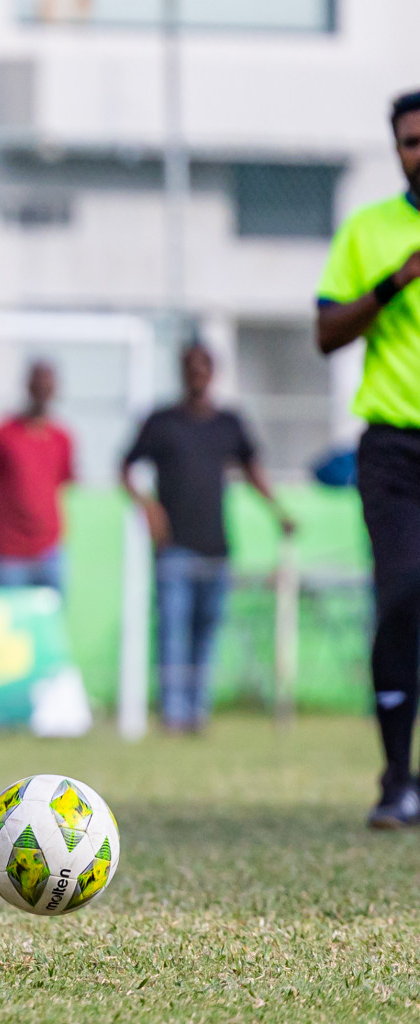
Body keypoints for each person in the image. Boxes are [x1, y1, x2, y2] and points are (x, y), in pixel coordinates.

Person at [315, 88, 420, 828]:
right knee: (403, 598)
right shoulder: (369, 231)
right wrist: (395, 280)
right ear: (397, 150)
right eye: (411, 141)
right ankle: (396, 780)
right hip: (394, 449)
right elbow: (325, 334)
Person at [121, 344, 294, 734]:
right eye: (190, 367)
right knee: (172, 634)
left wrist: (278, 512)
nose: (197, 374)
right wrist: (147, 507)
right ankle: (174, 714)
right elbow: (125, 467)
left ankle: (197, 712)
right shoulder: (161, 421)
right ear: (182, 371)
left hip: (217, 548)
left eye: (204, 368)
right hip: (173, 549)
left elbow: (252, 471)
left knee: (206, 635)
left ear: (213, 373)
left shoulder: (229, 423)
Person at [0, 362, 75, 592]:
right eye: (38, 386)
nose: (43, 393)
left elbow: (61, 484)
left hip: (50, 549)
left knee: (49, 623)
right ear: (28, 387)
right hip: (9, 553)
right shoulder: (2, 435)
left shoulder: (62, 438)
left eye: (48, 387)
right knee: (3, 623)